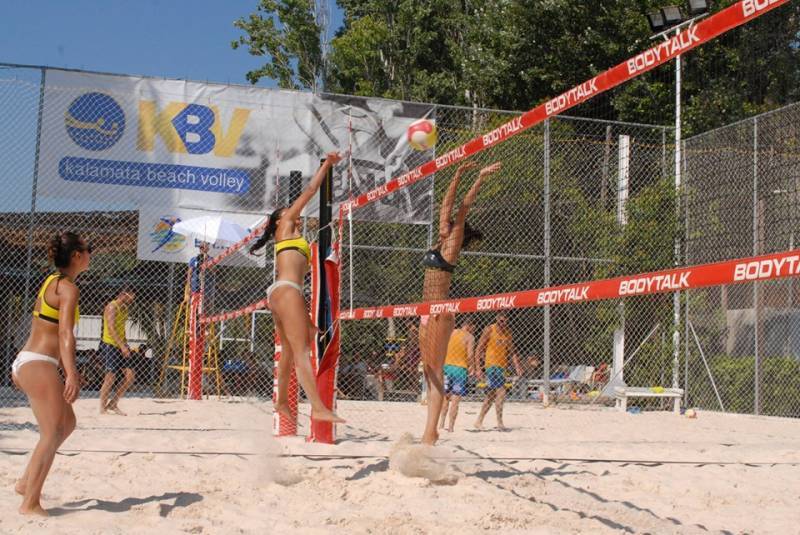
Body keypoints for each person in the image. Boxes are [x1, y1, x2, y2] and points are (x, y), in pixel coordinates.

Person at [250, 152, 344, 423]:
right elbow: (311, 190)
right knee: (302, 352)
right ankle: (318, 408)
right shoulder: (287, 226)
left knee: (290, 353)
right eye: (288, 213)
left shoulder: (290, 235)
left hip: (283, 291)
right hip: (288, 289)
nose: (296, 215)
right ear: (279, 221)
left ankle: (281, 402)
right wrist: (328, 165)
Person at [418, 160, 502, 445]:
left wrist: (479, 177)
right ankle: (431, 428)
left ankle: (431, 431)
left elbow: (462, 207)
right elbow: (446, 204)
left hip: (440, 312)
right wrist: (456, 174)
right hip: (426, 312)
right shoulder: (438, 242)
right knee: (428, 372)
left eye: (449, 222)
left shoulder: (451, 245)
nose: (443, 221)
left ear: (456, 230)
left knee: (436, 371)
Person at [11, 232, 91, 516]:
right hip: (38, 362)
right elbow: (65, 333)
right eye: (88, 249)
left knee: (67, 424)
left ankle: (25, 483)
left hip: (31, 361)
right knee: (52, 431)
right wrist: (71, 373)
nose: (90, 254)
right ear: (77, 256)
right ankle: (30, 503)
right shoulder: (67, 288)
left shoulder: (52, 281)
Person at [474, 313, 523, 430]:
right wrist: (478, 368)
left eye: (505, 321)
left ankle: (479, 420)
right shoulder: (490, 329)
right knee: (501, 392)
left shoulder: (508, 333)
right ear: (496, 319)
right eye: (501, 321)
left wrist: (517, 366)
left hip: (502, 366)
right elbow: (479, 349)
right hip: (491, 365)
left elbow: (512, 351)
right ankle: (499, 422)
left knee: (491, 396)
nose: (503, 324)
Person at [98, 288, 136, 415]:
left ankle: (113, 404)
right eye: (130, 296)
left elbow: (121, 329)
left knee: (130, 376)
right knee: (110, 377)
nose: (132, 299)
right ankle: (102, 408)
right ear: (123, 294)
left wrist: (125, 344)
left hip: (121, 344)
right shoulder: (112, 307)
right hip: (110, 345)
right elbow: (111, 328)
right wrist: (122, 346)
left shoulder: (125, 308)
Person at [438, 319, 476, 432]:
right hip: (460, 369)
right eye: (474, 328)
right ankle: (451, 427)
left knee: (445, 397)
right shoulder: (470, 337)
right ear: (470, 326)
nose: (474, 330)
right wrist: (472, 366)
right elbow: (470, 355)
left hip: (447, 367)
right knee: (455, 400)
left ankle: (441, 423)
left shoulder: (451, 332)